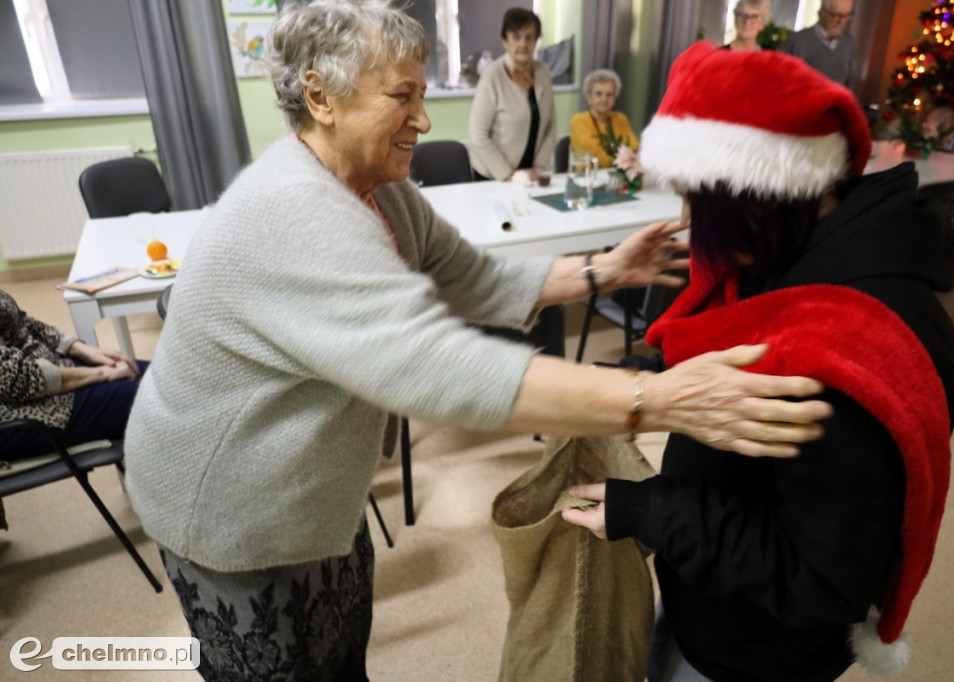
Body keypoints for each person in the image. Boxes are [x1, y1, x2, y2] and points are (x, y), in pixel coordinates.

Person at [123, 4, 833, 680]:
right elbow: (437, 364)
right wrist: (653, 397)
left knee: (340, 659)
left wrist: (601, 270)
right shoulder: (291, 212)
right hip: (226, 504)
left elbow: (468, 275)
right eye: (402, 95)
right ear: (321, 96)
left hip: (311, 500)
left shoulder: (381, 191)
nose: (425, 121)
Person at [563, 42, 954, 682]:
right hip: (712, 588)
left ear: (761, 195)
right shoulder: (797, 258)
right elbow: (736, 342)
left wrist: (650, 513)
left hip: (756, 646)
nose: (691, 224)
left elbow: (820, 578)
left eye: (704, 204)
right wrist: (640, 380)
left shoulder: (848, 356)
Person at [0, 289, 144, 529]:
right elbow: (15, 380)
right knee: (155, 395)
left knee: (156, 374)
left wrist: (80, 349)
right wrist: (100, 374)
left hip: (46, 376)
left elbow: (21, 322)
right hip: (22, 414)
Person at [467, 8, 555, 180]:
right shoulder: (493, 75)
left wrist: (539, 167)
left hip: (530, 175)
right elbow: (477, 135)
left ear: (536, 41)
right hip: (493, 176)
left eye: (529, 37)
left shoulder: (543, 72)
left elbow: (551, 124)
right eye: (516, 37)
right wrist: (508, 175)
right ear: (505, 41)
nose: (523, 43)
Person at [569, 69, 639, 168]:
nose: (604, 99)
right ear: (589, 97)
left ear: (615, 97)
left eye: (609, 95)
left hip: (618, 177)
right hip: (586, 179)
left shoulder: (620, 119)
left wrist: (628, 160)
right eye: (598, 94)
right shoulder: (579, 121)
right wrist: (625, 162)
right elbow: (598, 157)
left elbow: (633, 148)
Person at [778, 0, 855, 86]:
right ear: (820, 13)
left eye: (846, 16)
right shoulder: (796, 41)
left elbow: (847, 86)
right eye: (835, 15)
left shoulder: (848, 44)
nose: (841, 22)